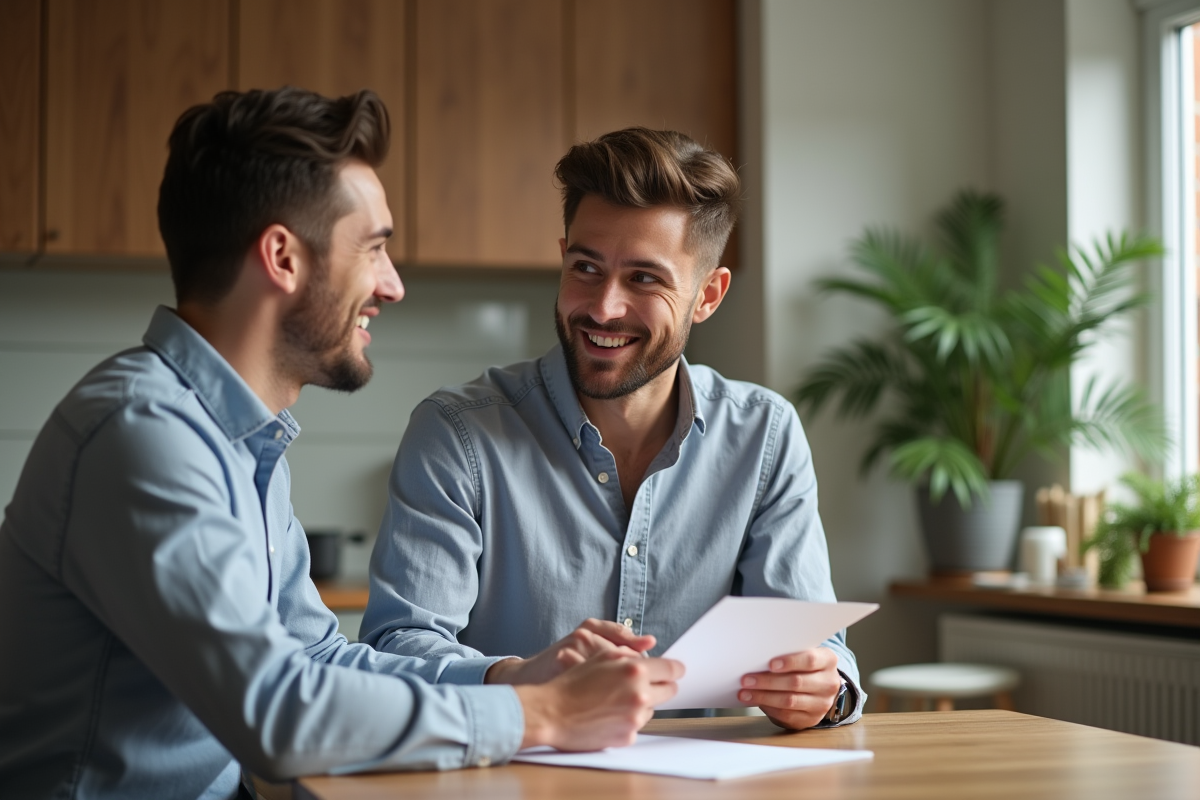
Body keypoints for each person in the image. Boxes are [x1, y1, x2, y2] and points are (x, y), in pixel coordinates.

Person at [0, 89, 683, 800]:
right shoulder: (144, 434)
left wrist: (508, 676)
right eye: (376, 248)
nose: (393, 284)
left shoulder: (236, 440)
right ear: (282, 257)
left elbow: (315, 659)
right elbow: (280, 714)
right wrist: (540, 715)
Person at [361, 127, 864, 731]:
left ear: (708, 295)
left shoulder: (765, 436)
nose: (602, 307)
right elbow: (396, 650)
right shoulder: (456, 433)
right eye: (586, 267)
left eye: (645, 279)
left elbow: (819, 649)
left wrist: (821, 690)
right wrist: (518, 681)